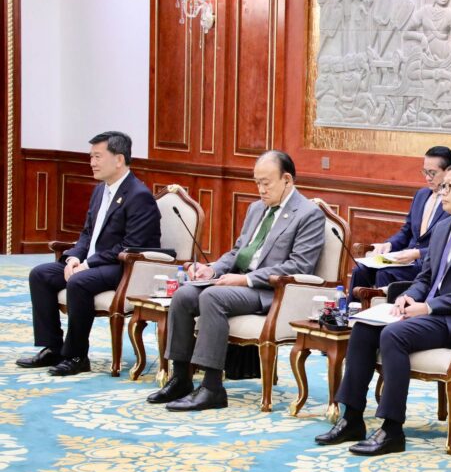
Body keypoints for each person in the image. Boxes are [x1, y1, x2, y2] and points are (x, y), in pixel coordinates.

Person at [314, 163, 451, 454]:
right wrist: (409, 297)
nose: (442, 192)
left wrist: (429, 306)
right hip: (428, 313)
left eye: (449, 186)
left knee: (394, 334)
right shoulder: (444, 228)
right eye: (442, 187)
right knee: (363, 327)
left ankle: (392, 429)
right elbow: (426, 277)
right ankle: (352, 418)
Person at [146, 150, 325, 411]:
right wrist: (212, 270)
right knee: (184, 295)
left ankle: (212, 388)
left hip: (270, 291)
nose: (261, 190)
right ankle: (181, 378)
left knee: (212, 297)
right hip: (236, 281)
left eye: (266, 183)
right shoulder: (256, 208)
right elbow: (238, 252)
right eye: (257, 182)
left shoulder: (308, 214)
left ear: (287, 180)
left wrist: (246, 279)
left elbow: (299, 266)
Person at [18, 131, 160, 376]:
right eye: (90, 157)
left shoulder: (139, 196)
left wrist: (88, 264)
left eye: (97, 156)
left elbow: (131, 245)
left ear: (119, 159)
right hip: (93, 263)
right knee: (40, 275)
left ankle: (77, 355)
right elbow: (87, 233)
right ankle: (53, 348)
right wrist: (74, 257)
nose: (91, 162)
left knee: (79, 282)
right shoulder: (100, 191)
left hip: (124, 267)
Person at [350, 146, 451, 293]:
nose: (427, 178)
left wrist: (418, 253)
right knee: (360, 270)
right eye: (425, 172)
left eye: (432, 173)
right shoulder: (421, 195)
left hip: (429, 264)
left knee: (385, 273)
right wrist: (389, 244)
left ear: (449, 172)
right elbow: (407, 231)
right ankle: (350, 308)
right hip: (406, 260)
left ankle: (385, 309)